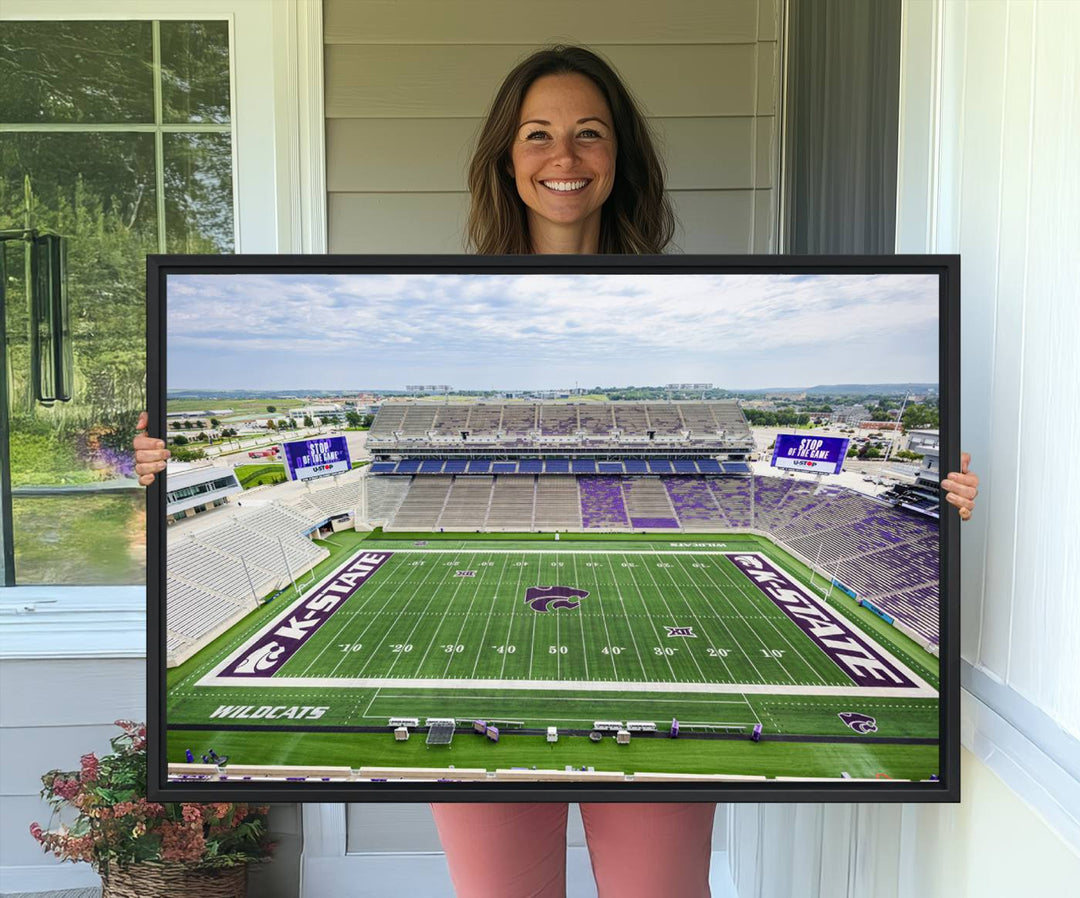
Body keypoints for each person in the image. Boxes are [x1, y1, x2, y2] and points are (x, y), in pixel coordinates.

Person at [134, 44, 979, 898]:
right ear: (507, 157)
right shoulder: (444, 298)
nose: (563, 157)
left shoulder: (683, 301)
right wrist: (161, 464)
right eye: (537, 134)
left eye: (589, 134)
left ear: (621, 157)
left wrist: (936, 499)